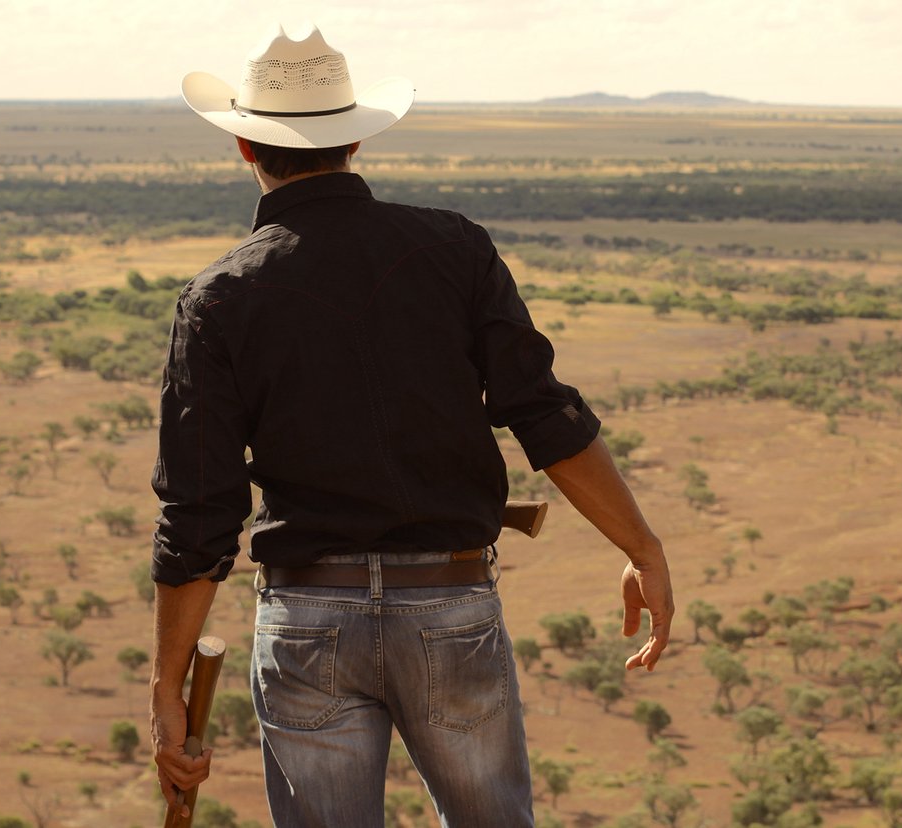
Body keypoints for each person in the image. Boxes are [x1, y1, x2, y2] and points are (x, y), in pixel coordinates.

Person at [149, 23, 674, 827]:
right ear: (355, 137)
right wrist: (641, 547)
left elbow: (199, 513)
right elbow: (542, 413)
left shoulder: (218, 297)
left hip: (306, 621)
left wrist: (167, 690)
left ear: (245, 149)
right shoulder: (454, 250)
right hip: (448, 607)